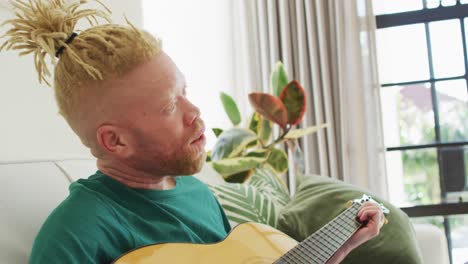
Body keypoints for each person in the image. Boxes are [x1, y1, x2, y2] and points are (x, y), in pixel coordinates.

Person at [0, 0, 385, 263]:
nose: (194, 111)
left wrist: (336, 249)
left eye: (185, 92)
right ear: (114, 141)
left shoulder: (198, 194)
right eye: (170, 106)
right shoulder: (78, 231)